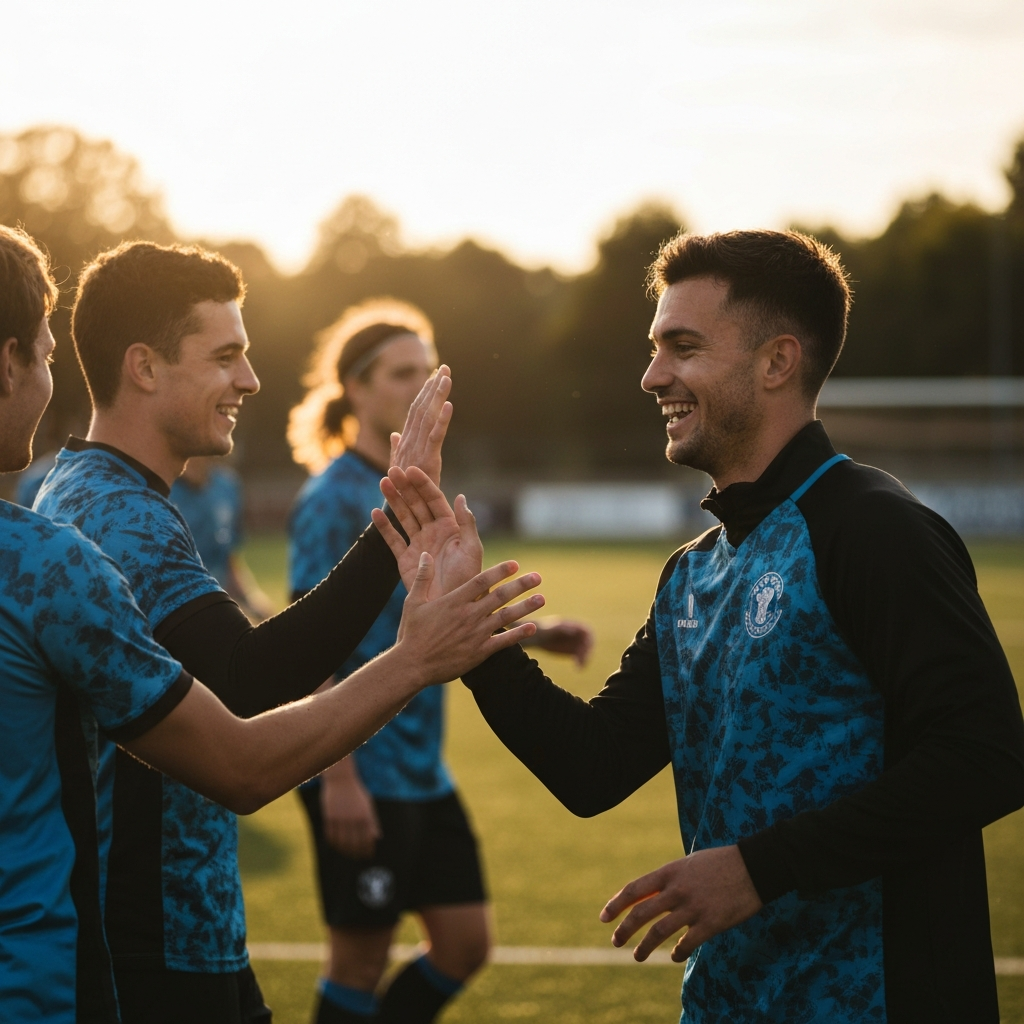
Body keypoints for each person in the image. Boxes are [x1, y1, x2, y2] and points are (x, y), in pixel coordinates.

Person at [378, 230, 1024, 1023]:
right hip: (728, 1002)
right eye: (654, 349)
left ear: (777, 362)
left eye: (682, 347)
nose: (653, 376)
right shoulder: (693, 571)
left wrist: (758, 867)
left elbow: (987, 755)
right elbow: (593, 766)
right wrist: (466, 622)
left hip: (875, 1000)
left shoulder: (873, 529)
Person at [0, 229, 541, 1023]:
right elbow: (249, 681)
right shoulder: (114, 516)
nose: (251, 379)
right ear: (144, 367)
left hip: (168, 928)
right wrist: (411, 635)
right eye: (224, 357)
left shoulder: (89, 491)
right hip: (156, 937)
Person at [287, 298, 594, 1024]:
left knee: (464, 943)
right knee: (358, 962)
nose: (420, 388)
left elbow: (430, 612)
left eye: (428, 371)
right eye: (401, 373)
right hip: (359, 763)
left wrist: (535, 632)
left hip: (422, 764)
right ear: (355, 388)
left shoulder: (419, 489)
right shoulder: (332, 498)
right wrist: (339, 781)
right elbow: (305, 647)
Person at [170, 456, 274, 621]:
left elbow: (227, 557)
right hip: (178, 612)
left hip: (217, 605)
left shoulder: (227, 486)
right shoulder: (163, 491)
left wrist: (250, 601)